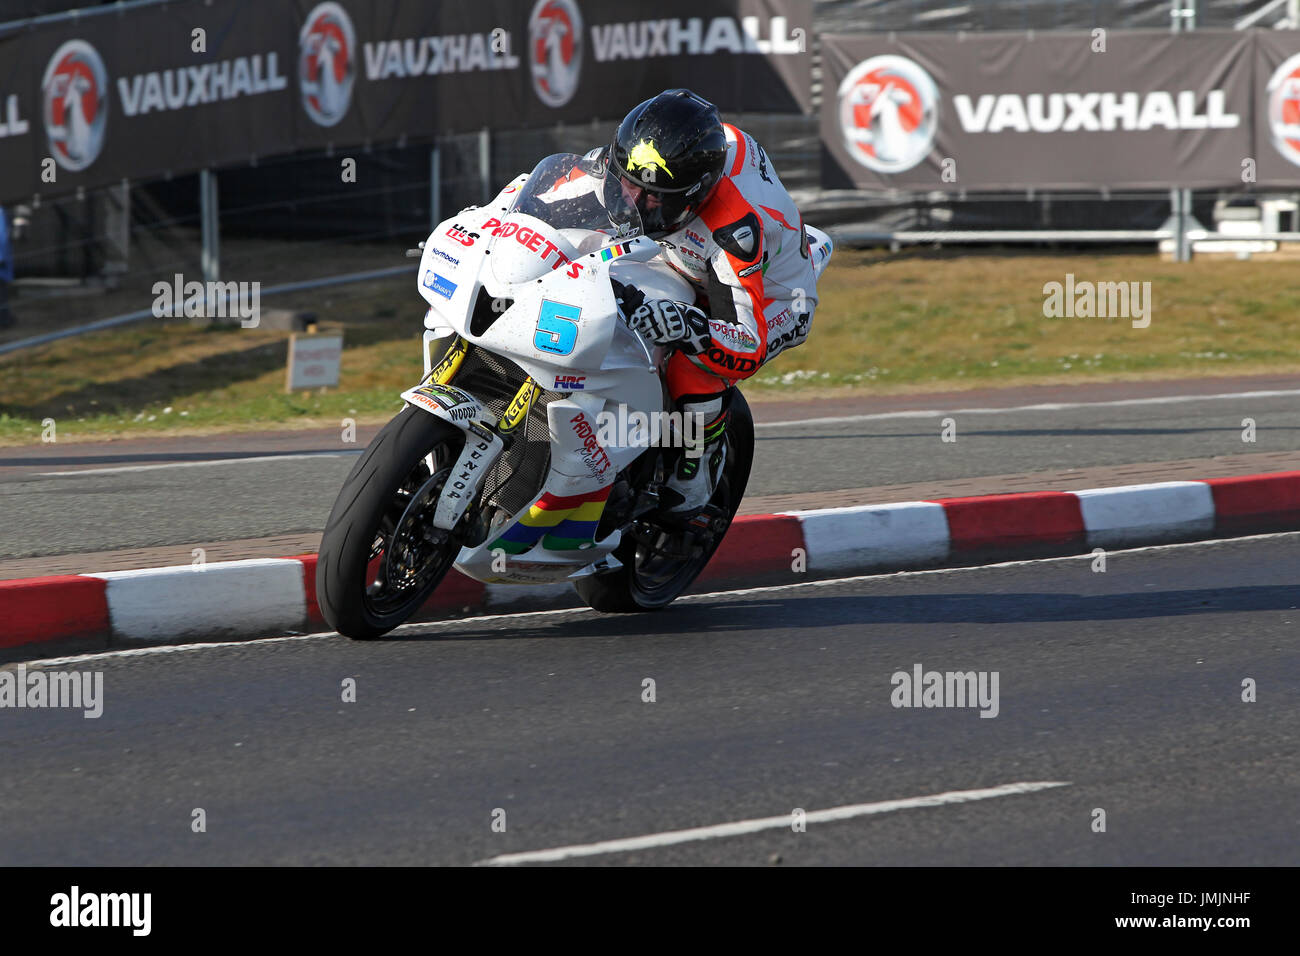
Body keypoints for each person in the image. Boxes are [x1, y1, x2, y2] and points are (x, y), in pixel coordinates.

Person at [590, 89, 820, 513]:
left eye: (654, 198)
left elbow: (747, 344)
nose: (635, 203)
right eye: (628, 185)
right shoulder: (651, 158)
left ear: (693, 195)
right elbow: (560, 188)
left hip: (774, 297)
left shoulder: (734, 228)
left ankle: (699, 464)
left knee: (690, 362)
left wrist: (687, 326)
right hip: (685, 260)